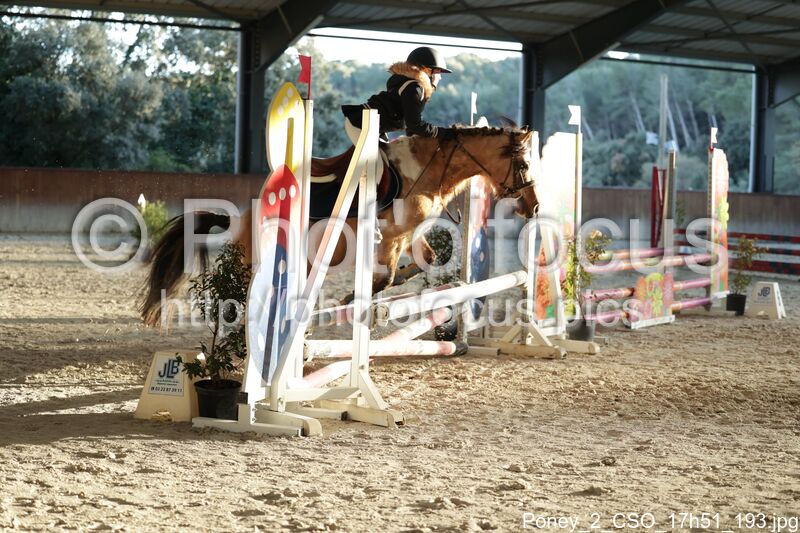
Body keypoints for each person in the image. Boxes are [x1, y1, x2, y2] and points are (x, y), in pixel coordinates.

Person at [341, 46, 457, 145]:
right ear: (427, 70)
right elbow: (415, 126)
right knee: (376, 163)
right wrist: (447, 133)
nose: (440, 77)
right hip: (362, 123)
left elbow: (411, 128)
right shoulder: (415, 88)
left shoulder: (411, 85)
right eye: (438, 72)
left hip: (370, 125)